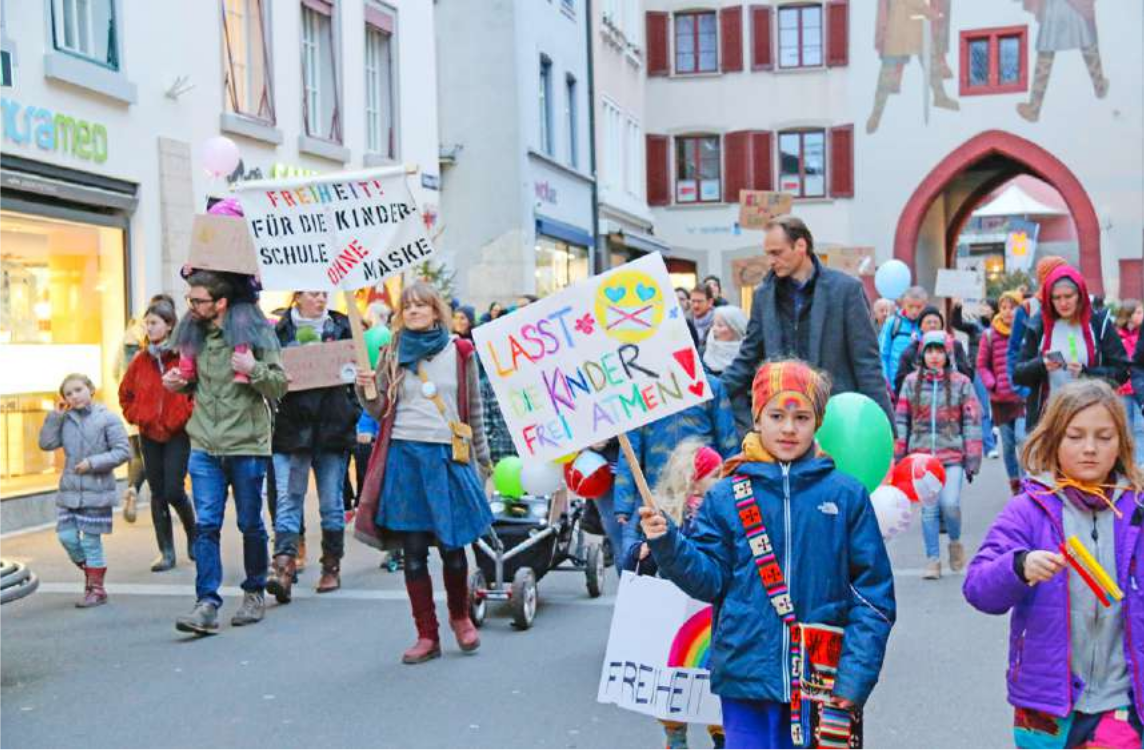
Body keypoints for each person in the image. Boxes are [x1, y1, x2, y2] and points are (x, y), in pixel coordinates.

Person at [639, 360, 895, 748]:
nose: (789, 428)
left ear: (818, 422)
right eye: (777, 415)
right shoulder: (725, 495)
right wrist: (668, 544)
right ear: (758, 418)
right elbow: (709, 579)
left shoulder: (846, 495)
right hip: (745, 679)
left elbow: (873, 595)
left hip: (822, 684)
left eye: (801, 416)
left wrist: (856, 673)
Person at [963, 379, 1143, 748]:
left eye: (1103, 437)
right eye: (1075, 436)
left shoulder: (1137, 510)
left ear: (1122, 443)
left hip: (1121, 699)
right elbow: (978, 587)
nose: (1090, 448)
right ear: (1054, 440)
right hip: (1044, 703)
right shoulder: (1029, 510)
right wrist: (1019, 567)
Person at [354, 282, 492, 664]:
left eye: (421, 305)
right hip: (404, 456)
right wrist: (365, 388)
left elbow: (473, 410)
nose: (414, 311)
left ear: (436, 311)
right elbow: (380, 407)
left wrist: (482, 463)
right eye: (408, 306)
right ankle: (426, 635)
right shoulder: (392, 352)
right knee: (413, 552)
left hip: (447, 456)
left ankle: (461, 619)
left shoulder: (461, 351)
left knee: (453, 547)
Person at [164, 269, 287, 635]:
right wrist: (179, 384)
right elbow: (196, 386)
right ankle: (206, 604)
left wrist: (254, 369)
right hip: (203, 443)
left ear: (221, 303)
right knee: (205, 526)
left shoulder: (256, 331)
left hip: (246, 443)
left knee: (250, 523)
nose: (192, 306)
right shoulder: (193, 333)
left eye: (198, 300)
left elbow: (280, 384)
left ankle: (253, 592)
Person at [723, 215, 893, 434]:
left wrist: (884, 429)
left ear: (801, 245)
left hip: (835, 424)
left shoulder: (846, 290)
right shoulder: (763, 296)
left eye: (777, 252)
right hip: (784, 426)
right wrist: (710, 393)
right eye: (768, 254)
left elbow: (867, 364)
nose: (771, 261)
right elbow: (747, 360)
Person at [621, 440, 725, 750]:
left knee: (713, 689)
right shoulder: (666, 515)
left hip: (707, 615)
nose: (721, 479)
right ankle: (675, 736)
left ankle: (722, 737)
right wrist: (639, 553)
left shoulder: (723, 512)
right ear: (694, 478)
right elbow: (639, 562)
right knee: (674, 684)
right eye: (715, 473)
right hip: (673, 615)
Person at [266, 291, 359, 602]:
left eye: (324, 293)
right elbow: (267, 373)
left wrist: (352, 410)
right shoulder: (279, 330)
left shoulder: (342, 326)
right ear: (297, 297)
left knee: (331, 502)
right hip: (293, 429)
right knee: (288, 498)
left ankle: (331, 565)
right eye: (313, 293)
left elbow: (358, 372)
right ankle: (283, 567)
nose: (320, 299)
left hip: (332, 428)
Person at [613, 363, 738, 560]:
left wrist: (734, 490)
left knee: (703, 551)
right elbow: (630, 448)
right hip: (660, 492)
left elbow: (728, 441)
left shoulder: (710, 386)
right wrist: (624, 503)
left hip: (704, 488)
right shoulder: (643, 391)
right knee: (643, 556)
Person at [895, 331, 983, 579]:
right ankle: (932, 559)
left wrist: (972, 457)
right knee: (929, 510)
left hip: (952, 455)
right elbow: (902, 419)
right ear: (923, 354)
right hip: (921, 458)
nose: (934, 356)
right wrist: (899, 457)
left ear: (948, 354)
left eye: (939, 351)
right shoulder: (912, 382)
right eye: (930, 351)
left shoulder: (961, 383)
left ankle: (955, 542)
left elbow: (972, 420)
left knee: (950, 504)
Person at [38, 373, 130, 608]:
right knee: (66, 537)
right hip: (69, 490)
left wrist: (93, 463)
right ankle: (92, 574)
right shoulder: (64, 419)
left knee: (91, 541)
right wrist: (55, 417)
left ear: (91, 389)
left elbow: (122, 451)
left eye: (78, 389)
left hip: (96, 489)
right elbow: (46, 444)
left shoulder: (107, 418)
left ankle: (96, 590)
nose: (74, 396)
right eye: (68, 393)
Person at [118, 297, 196, 572]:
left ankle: (193, 536)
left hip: (177, 433)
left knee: (175, 490)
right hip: (149, 433)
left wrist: (183, 416)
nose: (148, 328)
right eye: (146, 323)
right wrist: (139, 416)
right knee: (157, 492)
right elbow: (125, 394)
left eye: (153, 323)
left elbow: (194, 391)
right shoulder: (141, 361)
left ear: (169, 325)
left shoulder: (183, 356)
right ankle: (166, 551)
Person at [1013, 264, 1129, 431]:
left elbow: (1122, 372)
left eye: (1068, 296)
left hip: (1093, 417)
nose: (1063, 303)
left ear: (1080, 296)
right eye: (1056, 298)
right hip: (1049, 421)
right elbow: (1018, 375)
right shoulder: (1038, 325)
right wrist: (1041, 365)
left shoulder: (1098, 323)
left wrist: (1088, 373)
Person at [1017, 0, 1108, 122]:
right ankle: (1100, 87)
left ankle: (1034, 108)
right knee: (1086, 42)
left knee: (1047, 51)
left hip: (1054, 7)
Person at [978, 291, 1028, 493]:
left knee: (1022, 439)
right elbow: (982, 365)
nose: (1008, 312)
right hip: (1000, 399)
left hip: (1023, 397)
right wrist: (993, 384)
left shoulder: (1027, 331)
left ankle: (1027, 485)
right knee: (1007, 445)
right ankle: (1015, 482)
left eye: (1013, 307)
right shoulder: (989, 335)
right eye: (1004, 307)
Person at [891, 305, 973, 398]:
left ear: (941, 325)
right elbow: (900, 384)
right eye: (928, 322)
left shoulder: (955, 346)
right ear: (920, 327)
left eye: (935, 322)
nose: (932, 325)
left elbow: (968, 375)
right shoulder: (911, 351)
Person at [880, 285, 929, 390]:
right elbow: (882, 355)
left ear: (925, 306)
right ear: (903, 304)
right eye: (910, 306)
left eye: (919, 307)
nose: (914, 311)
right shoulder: (892, 323)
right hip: (895, 385)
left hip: (923, 386)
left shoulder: (928, 324)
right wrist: (886, 382)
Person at [1113, 299, 1143, 465]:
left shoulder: (1141, 334)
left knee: (1140, 428)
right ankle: (1127, 464)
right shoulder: (1117, 336)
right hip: (1122, 389)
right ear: (1128, 316)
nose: (1142, 315)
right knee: (1125, 428)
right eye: (1138, 312)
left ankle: (1140, 465)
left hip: (1139, 389)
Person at [702, 305, 749, 378]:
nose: (714, 329)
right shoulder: (702, 355)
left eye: (720, 325)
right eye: (713, 324)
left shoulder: (748, 356)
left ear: (736, 329)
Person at [690, 286, 716, 355]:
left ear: (710, 302)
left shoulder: (719, 323)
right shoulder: (685, 322)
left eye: (699, 301)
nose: (696, 305)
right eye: (693, 301)